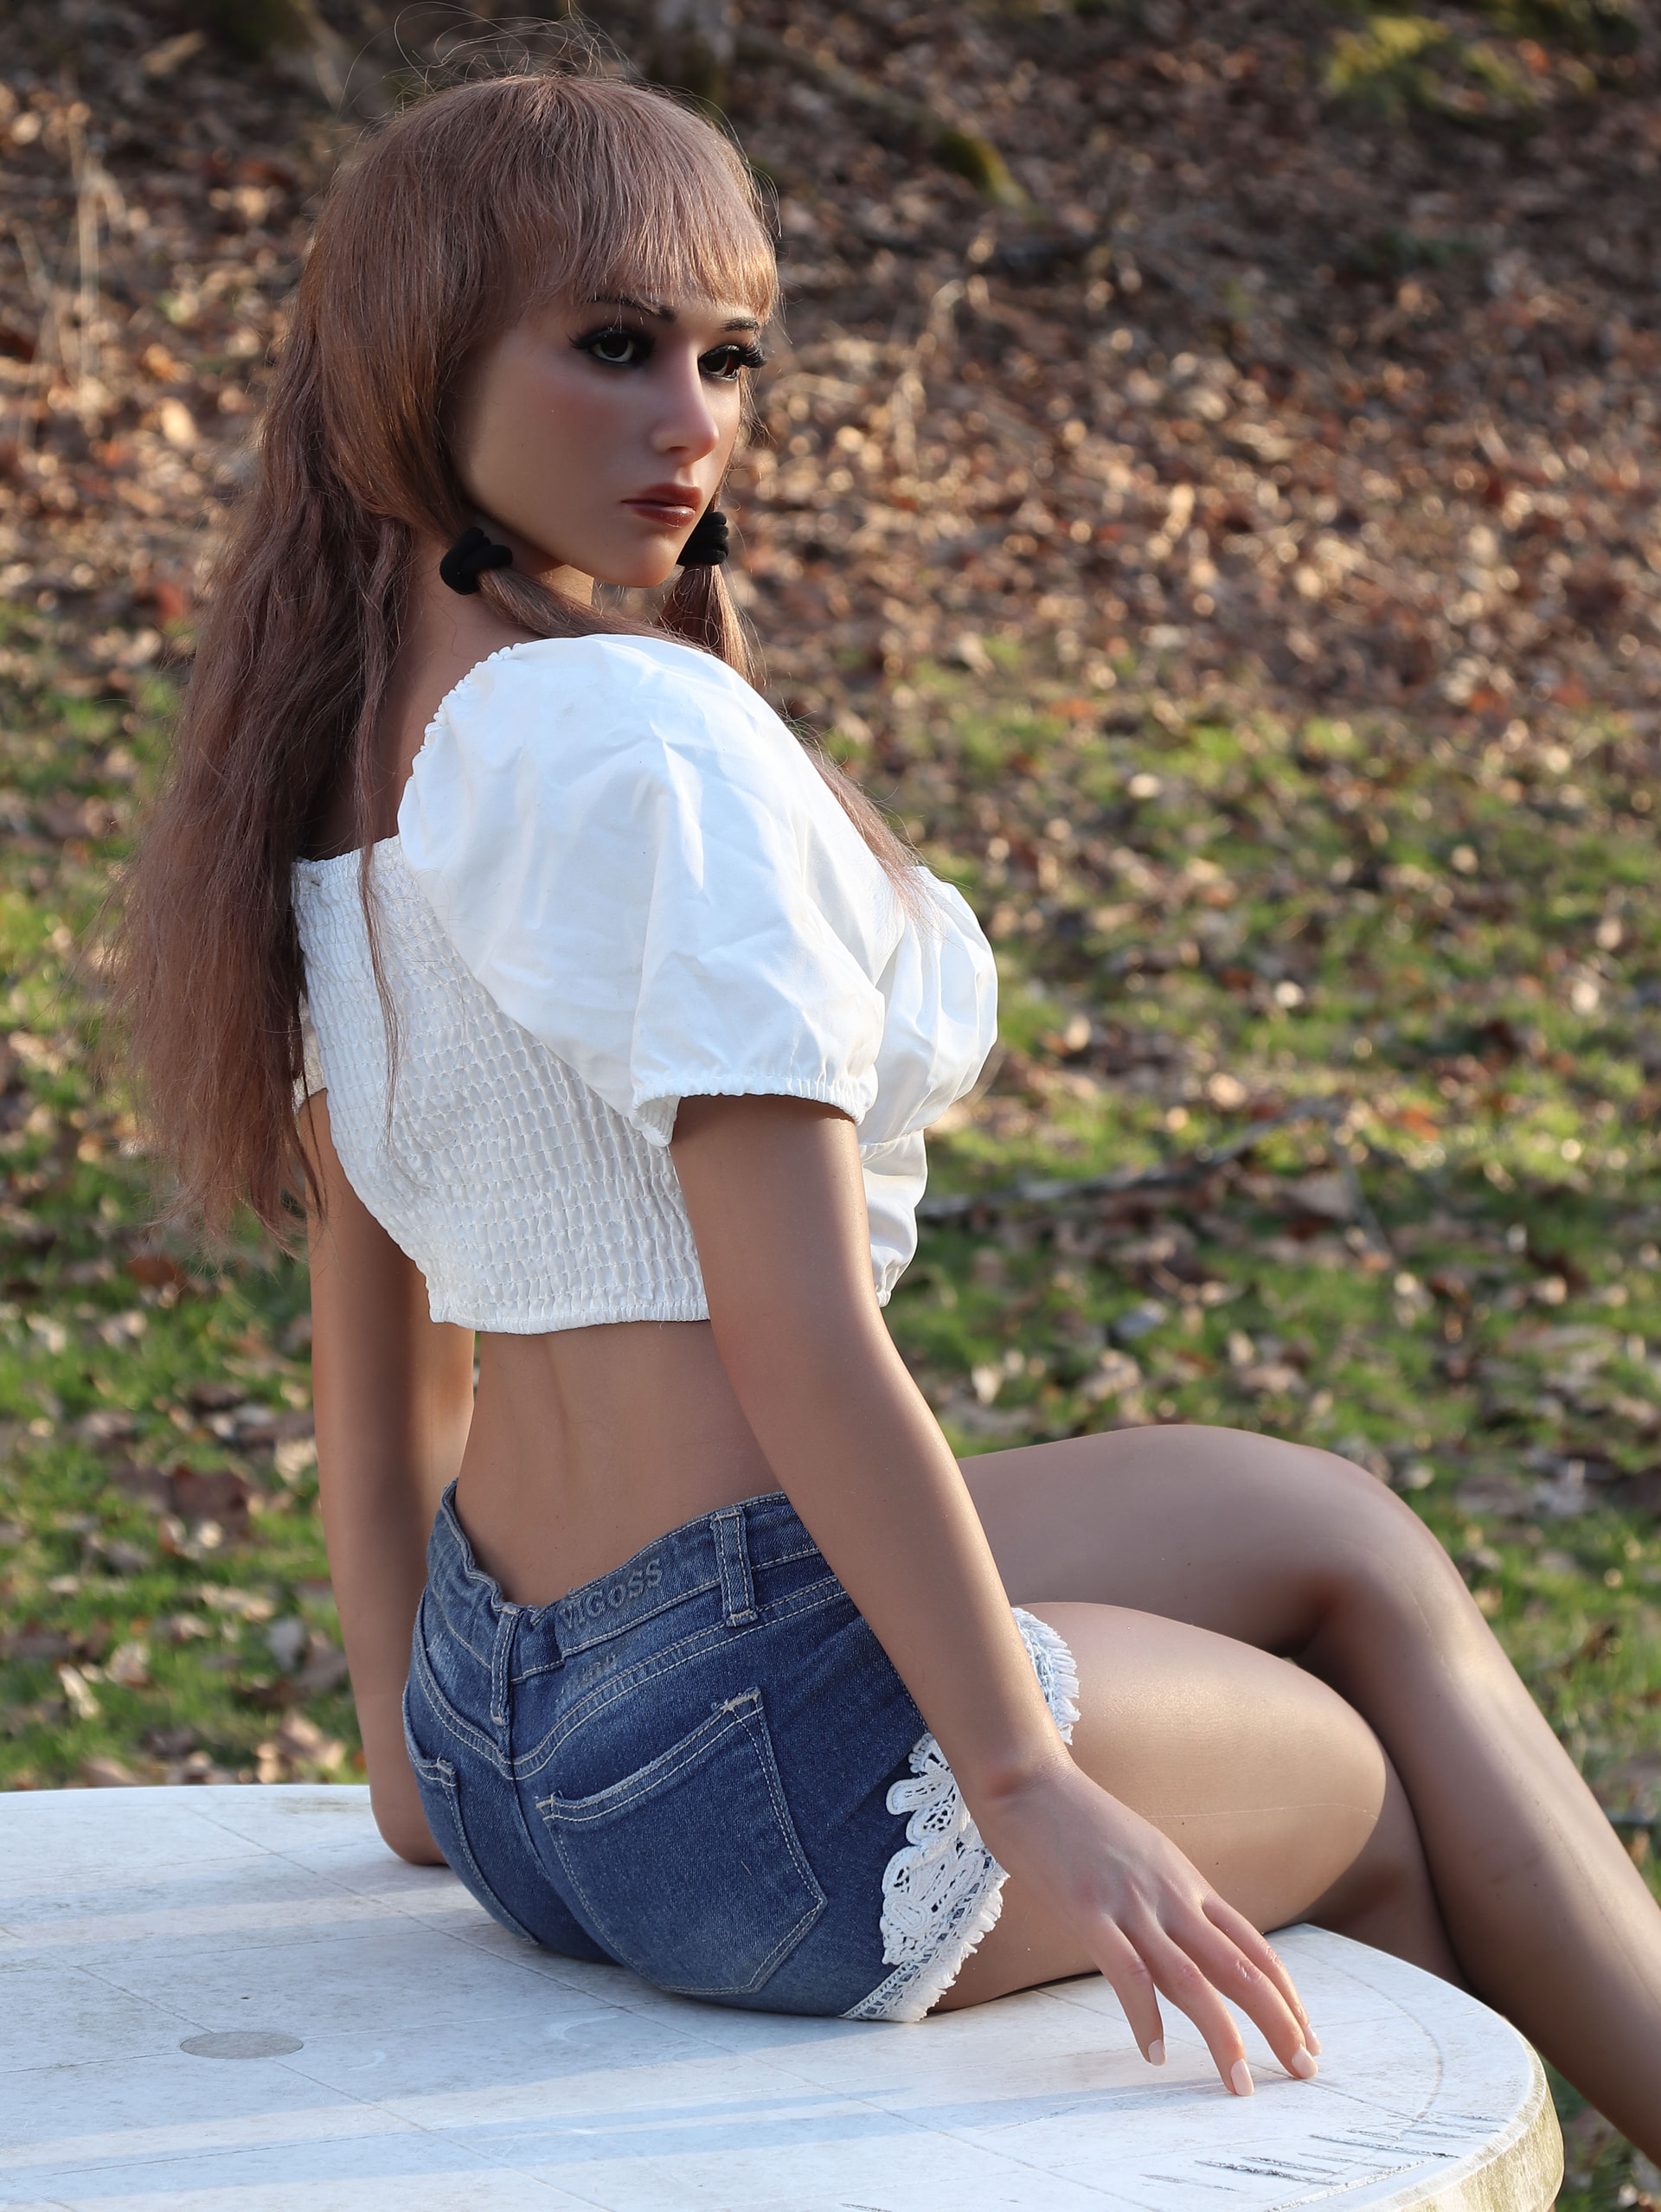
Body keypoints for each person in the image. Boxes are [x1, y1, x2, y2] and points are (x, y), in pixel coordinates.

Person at [117, 68, 1661, 2145]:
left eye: (729, 356)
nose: (692, 421)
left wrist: (421, 1763)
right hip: (760, 1771)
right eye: (614, 346)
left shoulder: (328, 793)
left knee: (1334, 1531)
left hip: (509, 1744)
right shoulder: (631, 745)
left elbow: (375, 1359)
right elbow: (798, 1324)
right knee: (1357, 1789)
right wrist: (1022, 1780)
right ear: (417, 358)